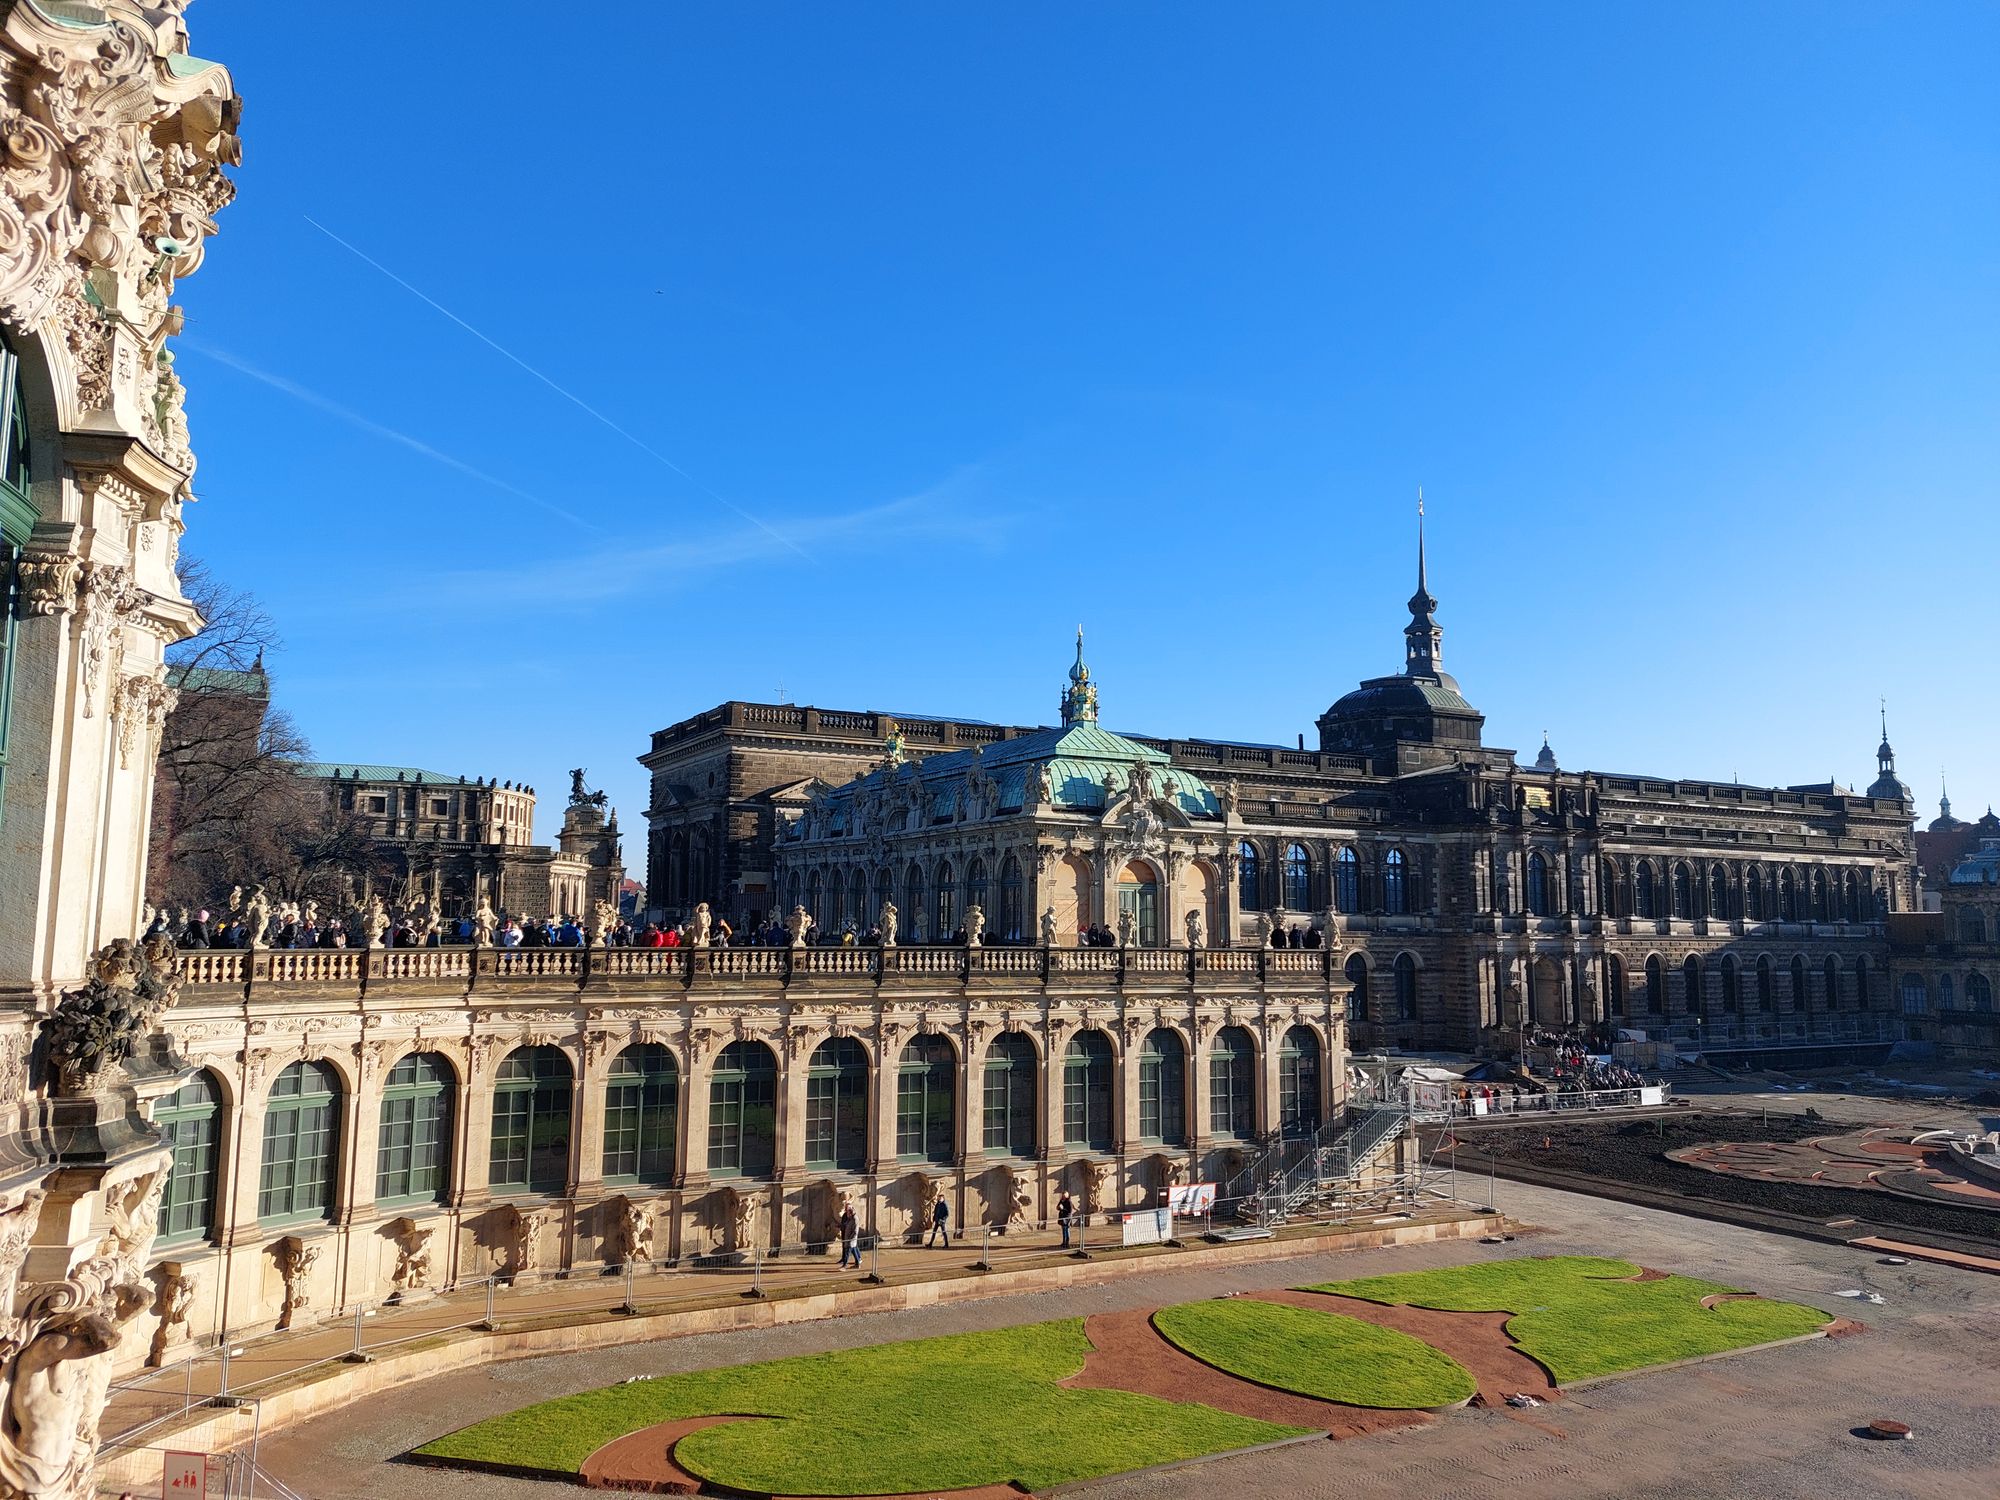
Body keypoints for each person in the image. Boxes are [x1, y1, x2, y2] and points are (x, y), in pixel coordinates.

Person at [839, 1201, 861, 1269]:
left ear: (850, 1213)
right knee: (854, 1251)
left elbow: (855, 1231)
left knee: (847, 1253)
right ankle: (857, 1263)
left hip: (851, 1239)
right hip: (848, 1238)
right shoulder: (850, 1218)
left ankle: (844, 1266)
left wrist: (850, 1239)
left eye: (847, 1213)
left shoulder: (855, 1219)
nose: (846, 1214)